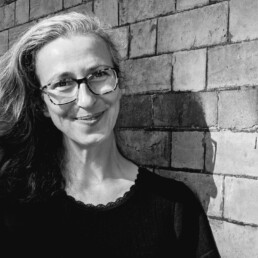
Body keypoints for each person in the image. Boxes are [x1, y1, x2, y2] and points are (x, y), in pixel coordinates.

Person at [0, 12, 220, 258]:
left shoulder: (175, 207)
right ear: (41, 104)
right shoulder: (12, 202)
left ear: (119, 84)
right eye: (62, 84)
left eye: (99, 74)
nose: (86, 99)